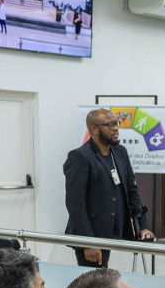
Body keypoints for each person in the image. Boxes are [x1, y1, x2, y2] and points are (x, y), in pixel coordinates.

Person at [63, 108, 154, 268]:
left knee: (106, 284)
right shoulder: (80, 157)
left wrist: (143, 226)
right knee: (94, 286)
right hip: (93, 236)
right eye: (109, 125)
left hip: (117, 231)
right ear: (94, 129)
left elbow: (132, 190)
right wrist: (88, 242)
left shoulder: (120, 152)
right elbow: (75, 204)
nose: (116, 128)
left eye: (116, 123)